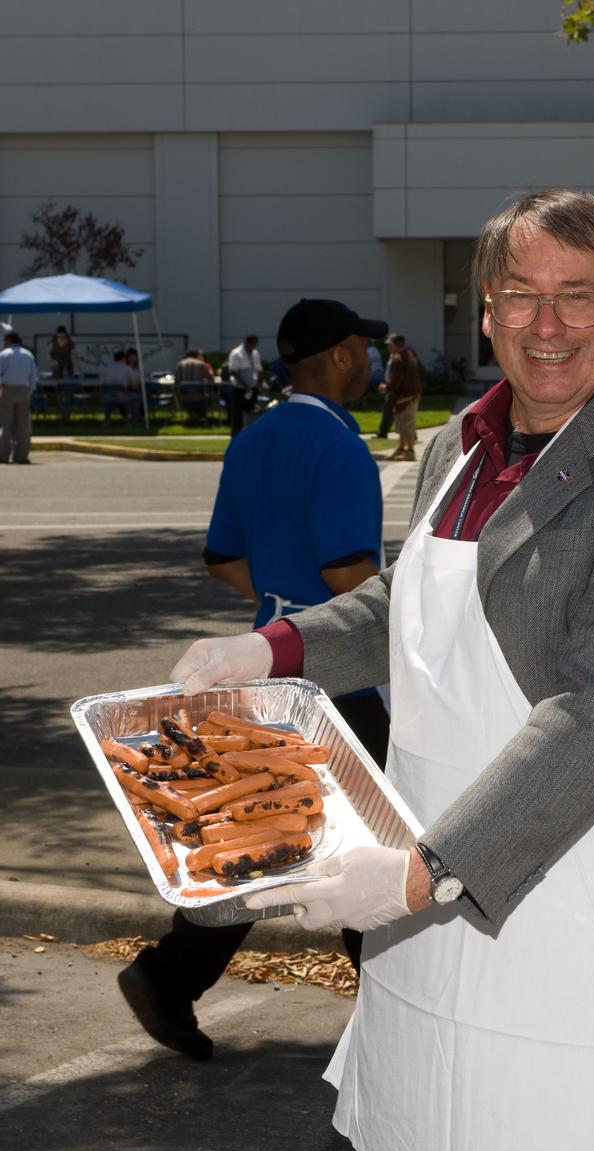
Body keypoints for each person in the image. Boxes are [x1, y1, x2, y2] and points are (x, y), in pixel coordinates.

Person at [170, 190, 594, 1151]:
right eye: (520, 295)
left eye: (575, 295)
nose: (547, 324)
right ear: (484, 310)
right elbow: (407, 604)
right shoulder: (458, 445)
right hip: (475, 895)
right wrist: (275, 650)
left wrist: (420, 870)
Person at [117, 297, 391, 1061]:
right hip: (337, 677)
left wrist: (279, 614)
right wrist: (388, 625)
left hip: (268, 662)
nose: (368, 361)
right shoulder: (339, 446)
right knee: (374, 847)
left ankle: (169, 977)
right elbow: (348, 571)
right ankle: (394, 1019)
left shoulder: (256, 437)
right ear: (338, 355)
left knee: (272, 834)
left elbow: (223, 558)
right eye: (362, 349)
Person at [380, 333, 421, 460]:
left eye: (389, 345)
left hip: (405, 397)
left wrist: (386, 387)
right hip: (411, 395)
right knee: (403, 424)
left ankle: (409, 452)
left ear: (395, 345)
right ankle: (401, 449)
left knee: (406, 425)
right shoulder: (409, 355)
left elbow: (396, 379)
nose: (388, 347)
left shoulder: (399, 358)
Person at [0, 331, 38, 464]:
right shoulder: (28, 355)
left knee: (6, 424)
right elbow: (33, 375)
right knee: (23, 425)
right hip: (24, 390)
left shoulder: (4, 354)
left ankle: (3, 455)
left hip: (8, 389)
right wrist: (30, 391)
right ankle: (21, 455)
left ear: (9, 340)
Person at [227, 333, 263, 436]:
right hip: (239, 390)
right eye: (253, 344)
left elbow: (259, 371)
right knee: (237, 416)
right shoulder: (236, 353)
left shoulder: (255, 353)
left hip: (252, 390)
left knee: (252, 414)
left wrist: (260, 384)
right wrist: (245, 385)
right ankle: (235, 438)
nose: (254, 347)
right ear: (247, 342)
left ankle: (250, 437)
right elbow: (233, 371)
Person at [174, 346, 214, 421]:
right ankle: (199, 414)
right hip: (201, 396)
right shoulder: (201, 364)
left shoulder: (179, 364)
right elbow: (211, 379)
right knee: (208, 394)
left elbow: (176, 382)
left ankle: (193, 414)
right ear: (196, 355)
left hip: (183, 397)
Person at [101, 349, 135, 425]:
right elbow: (133, 385)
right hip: (122, 397)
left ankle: (107, 420)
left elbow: (103, 384)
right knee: (136, 397)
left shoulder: (107, 368)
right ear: (124, 359)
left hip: (108, 397)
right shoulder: (127, 368)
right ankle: (134, 419)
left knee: (109, 400)